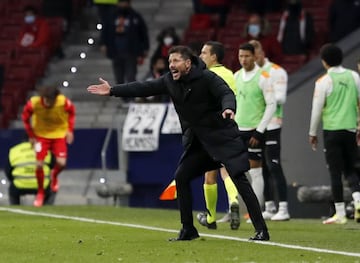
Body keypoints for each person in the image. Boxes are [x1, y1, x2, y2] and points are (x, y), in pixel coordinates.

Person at [87, 45, 270, 241]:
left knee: (239, 178)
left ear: (188, 63)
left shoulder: (207, 78)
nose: (171, 65)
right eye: (169, 62)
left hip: (221, 137)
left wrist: (228, 108)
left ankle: (261, 231)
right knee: (181, 177)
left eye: (175, 61)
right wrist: (113, 90)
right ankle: (188, 229)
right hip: (199, 142)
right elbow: (144, 87)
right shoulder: (169, 80)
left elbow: (226, 93)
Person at [309, 43, 360, 224]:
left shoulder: (323, 81)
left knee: (335, 172)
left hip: (332, 131)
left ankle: (340, 213)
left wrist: (312, 133)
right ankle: (358, 200)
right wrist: (358, 126)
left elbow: (317, 109)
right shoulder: (354, 76)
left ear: (324, 62)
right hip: (350, 130)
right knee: (351, 168)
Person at [196, 41, 241, 230]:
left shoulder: (206, 76)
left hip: (209, 129)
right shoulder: (230, 74)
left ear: (214, 56)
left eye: (204, 53)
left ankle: (211, 217)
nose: (200, 56)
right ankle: (233, 200)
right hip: (228, 128)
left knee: (209, 175)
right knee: (226, 170)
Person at [233, 42, 277, 217]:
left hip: (254, 132)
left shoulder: (263, 76)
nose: (243, 59)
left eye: (247, 56)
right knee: (234, 171)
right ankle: (234, 206)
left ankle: (255, 211)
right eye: (241, 56)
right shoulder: (236, 76)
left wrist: (260, 130)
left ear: (254, 57)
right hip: (237, 131)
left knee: (256, 172)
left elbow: (272, 104)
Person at [250, 40, 290, 221]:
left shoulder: (276, 71)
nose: (253, 56)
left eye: (255, 52)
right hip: (255, 125)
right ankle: (269, 206)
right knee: (261, 167)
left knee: (274, 165)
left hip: (272, 123)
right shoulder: (249, 75)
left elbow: (280, 98)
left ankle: (284, 207)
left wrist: (266, 95)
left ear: (261, 51)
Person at [22, 85, 76, 207]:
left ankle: (54, 175)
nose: (48, 102)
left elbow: (72, 112)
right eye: (46, 99)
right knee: (39, 164)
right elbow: (25, 117)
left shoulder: (63, 101)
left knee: (61, 163)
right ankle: (40, 192)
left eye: (51, 100)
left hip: (58, 134)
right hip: (41, 135)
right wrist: (31, 135)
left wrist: (70, 130)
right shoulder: (34, 103)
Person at [99, 0, 149, 85]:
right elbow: (105, 31)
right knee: (119, 78)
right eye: (121, 2)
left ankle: (130, 97)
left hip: (131, 51)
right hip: (115, 51)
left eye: (124, 2)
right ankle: (123, 96)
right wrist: (103, 43)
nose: (122, 5)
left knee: (131, 76)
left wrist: (145, 48)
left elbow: (143, 33)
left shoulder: (135, 16)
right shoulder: (111, 16)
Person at [5, 139, 56, 205]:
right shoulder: (45, 149)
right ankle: (47, 209)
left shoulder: (14, 150)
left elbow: (8, 171)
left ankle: (15, 208)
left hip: (19, 185)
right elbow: (53, 167)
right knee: (52, 187)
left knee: (13, 191)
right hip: (42, 185)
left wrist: (15, 179)